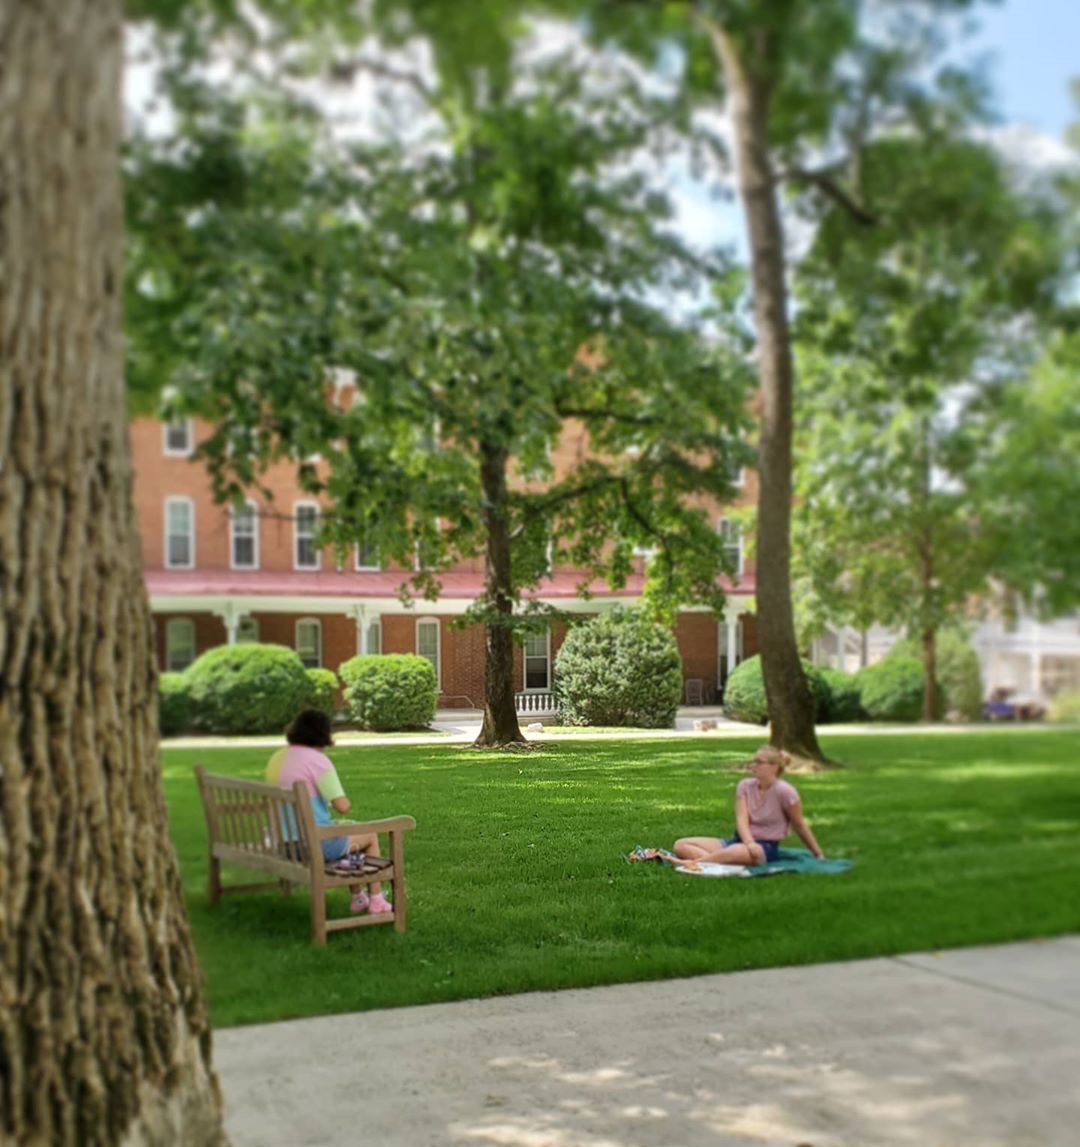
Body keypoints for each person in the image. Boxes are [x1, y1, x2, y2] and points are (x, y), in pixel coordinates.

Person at [266, 708, 391, 915]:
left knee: (349, 829)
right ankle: (376, 899)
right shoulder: (317, 760)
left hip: (282, 844)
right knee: (368, 833)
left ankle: (359, 897)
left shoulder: (278, 757)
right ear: (323, 733)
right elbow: (343, 806)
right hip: (311, 846)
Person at [672, 745, 824, 866]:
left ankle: (691, 863)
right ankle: (714, 861)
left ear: (774, 767)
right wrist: (749, 843)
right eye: (753, 761)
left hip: (765, 847)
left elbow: (799, 825)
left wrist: (817, 853)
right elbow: (741, 819)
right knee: (681, 845)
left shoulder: (785, 791)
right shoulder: (745, 786)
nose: (753, 765)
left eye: (759, 762)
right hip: (740, 841)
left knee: (733, 852)